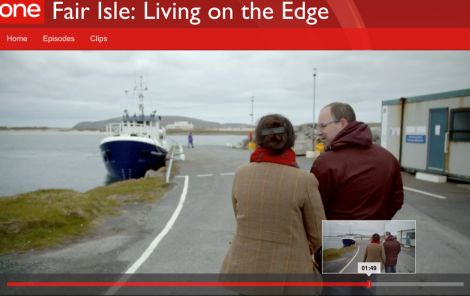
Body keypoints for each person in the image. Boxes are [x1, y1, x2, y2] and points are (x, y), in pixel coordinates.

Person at [220, 114, 325, 277]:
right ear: (290, 139)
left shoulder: (241, 173)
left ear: (259, 139)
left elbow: (240, 216)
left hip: (245, 269)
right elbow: (318, 235)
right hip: (290, 272)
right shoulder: (304, 180)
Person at [310, 102, 404, 220]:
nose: (319, 131)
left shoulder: (326, 162)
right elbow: (396, 201)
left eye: (323, 126)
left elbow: (313, 209)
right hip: (376, 234)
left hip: (337, 235)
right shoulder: (388, 158)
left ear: (342, 123)